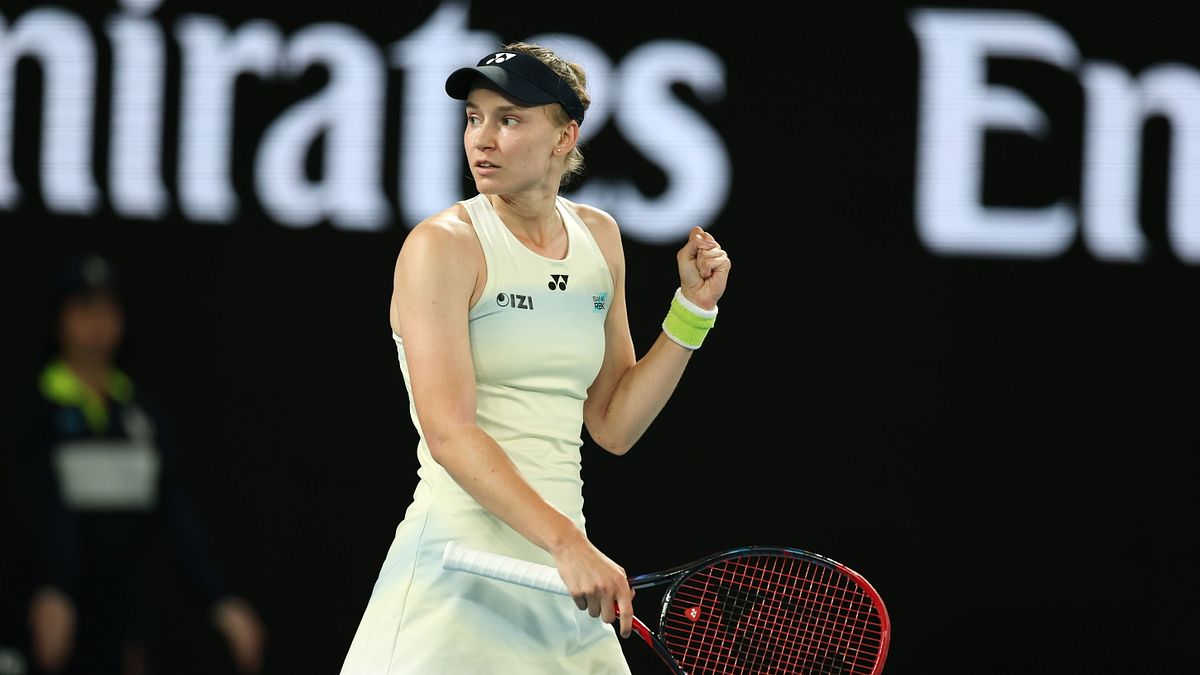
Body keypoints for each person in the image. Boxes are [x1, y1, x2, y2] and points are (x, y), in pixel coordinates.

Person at [339, 41, 731, 674]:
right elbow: (449, 433)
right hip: (458, 578)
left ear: (563, 136)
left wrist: (692, 312)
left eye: (509, 119)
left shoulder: (598, 237)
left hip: (564, 584)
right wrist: (567, 543)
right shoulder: (443, 244)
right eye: (474, 118)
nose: (482, 138)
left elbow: (613, 423)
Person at [0, 253, 266, 675]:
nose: (97, 324)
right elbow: (34, 514)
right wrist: (53, 587)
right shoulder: (30, 412)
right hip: (39, 618)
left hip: (118, 622)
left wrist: (218, 598)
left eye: (107, 310)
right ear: (61, 318)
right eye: (84, 309)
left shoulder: (143, 417)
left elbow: (177, 515)